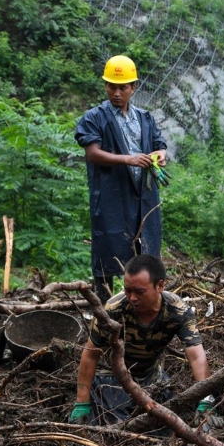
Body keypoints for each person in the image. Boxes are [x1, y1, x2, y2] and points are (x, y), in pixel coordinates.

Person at [70, 255, 215, 427]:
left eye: (139, 292)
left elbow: (196, 356)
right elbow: (91, 354)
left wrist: (206, 399)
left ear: (160, 286)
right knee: (120, 426)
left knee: (167, 424)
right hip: (112, 376)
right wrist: (81, 403)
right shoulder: (114, 308)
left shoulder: (178, 311)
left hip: (151, 376)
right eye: (127, 290)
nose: (132, 298)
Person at [75, 56, 169, 303]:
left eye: (122, 87)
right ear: (105, 85)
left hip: (144, 197)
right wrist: (129, 159)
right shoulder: (94, 118)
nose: (116, 93)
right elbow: (93, 153)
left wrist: (160, 155)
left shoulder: (145, 118)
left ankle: (146, 302)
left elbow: (159, 144)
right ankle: (105, 308)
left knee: (146, 249)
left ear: (133, 87)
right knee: (108, 250)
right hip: (112, 197)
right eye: (111, 86)